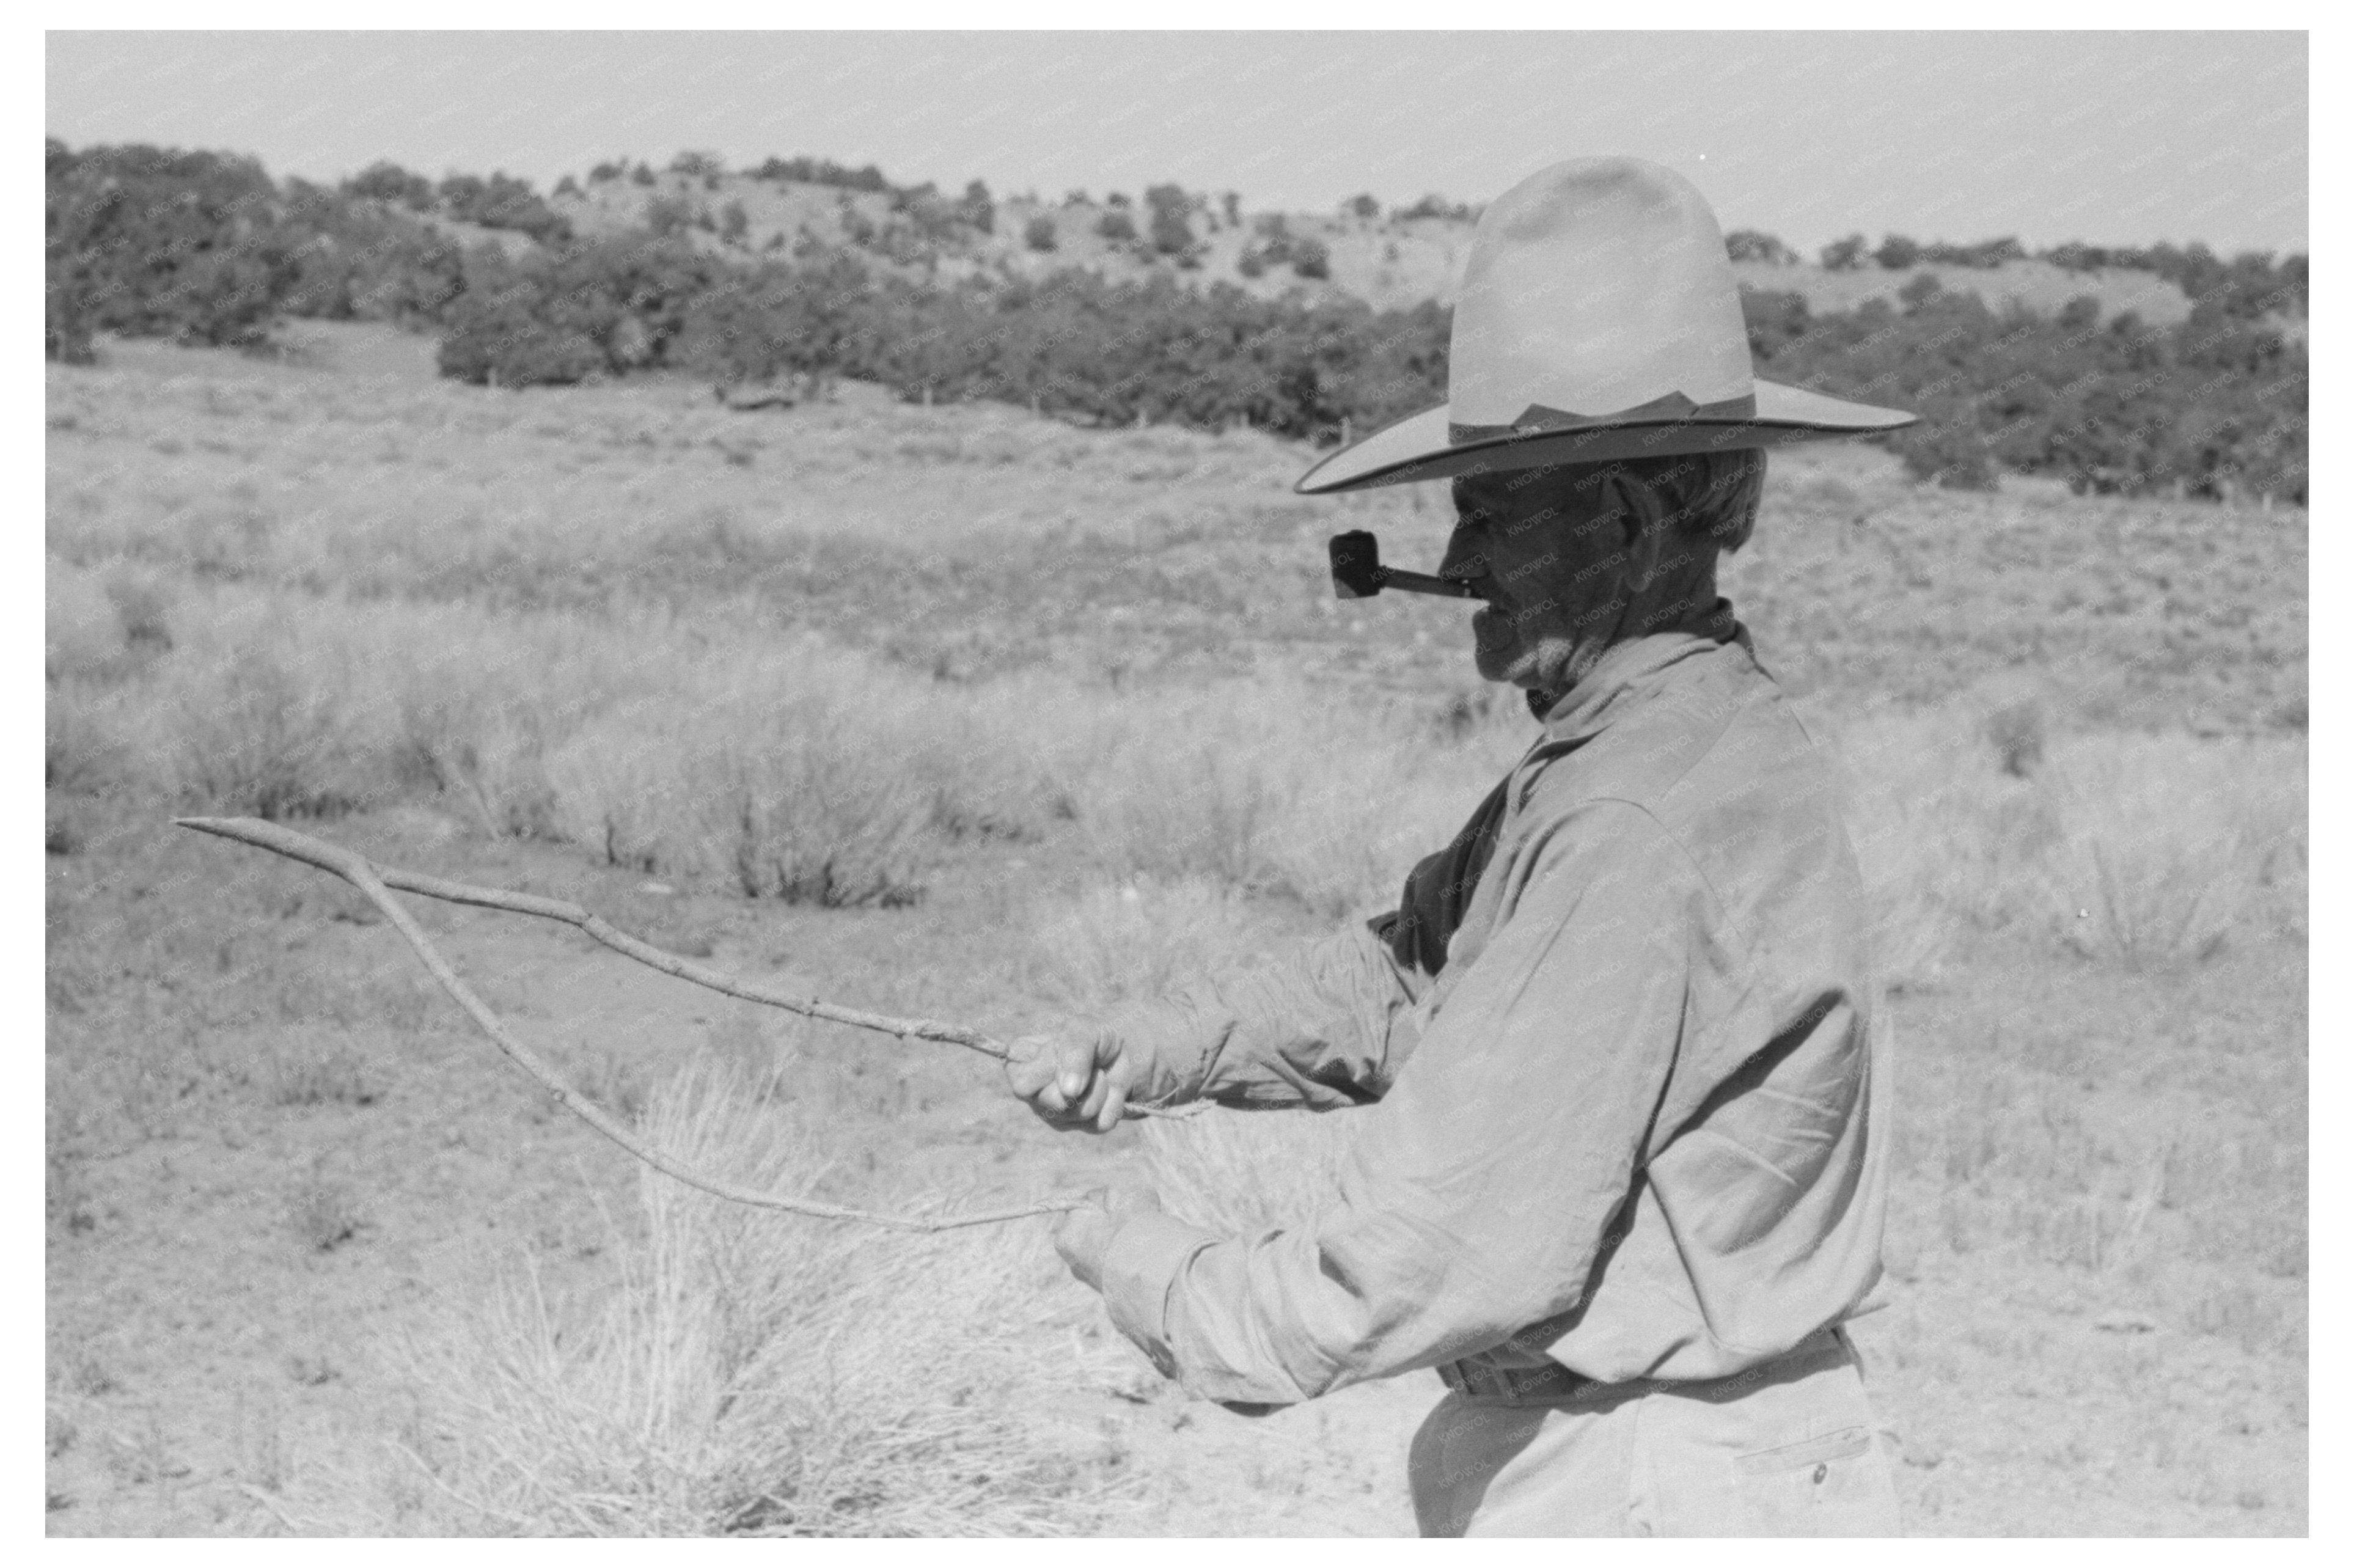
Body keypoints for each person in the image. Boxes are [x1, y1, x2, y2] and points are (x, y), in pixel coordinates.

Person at [1008, 156, 1916, 1537]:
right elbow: (1409, 970)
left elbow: (1428, 1250)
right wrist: (1154, 1046)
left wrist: (1139, 1261)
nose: (1461, 552)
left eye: (1494, 507)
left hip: (1649, 1482)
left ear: (1617, 520)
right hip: (1677, 1464)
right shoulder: (1652, 734)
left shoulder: (1632, 811)